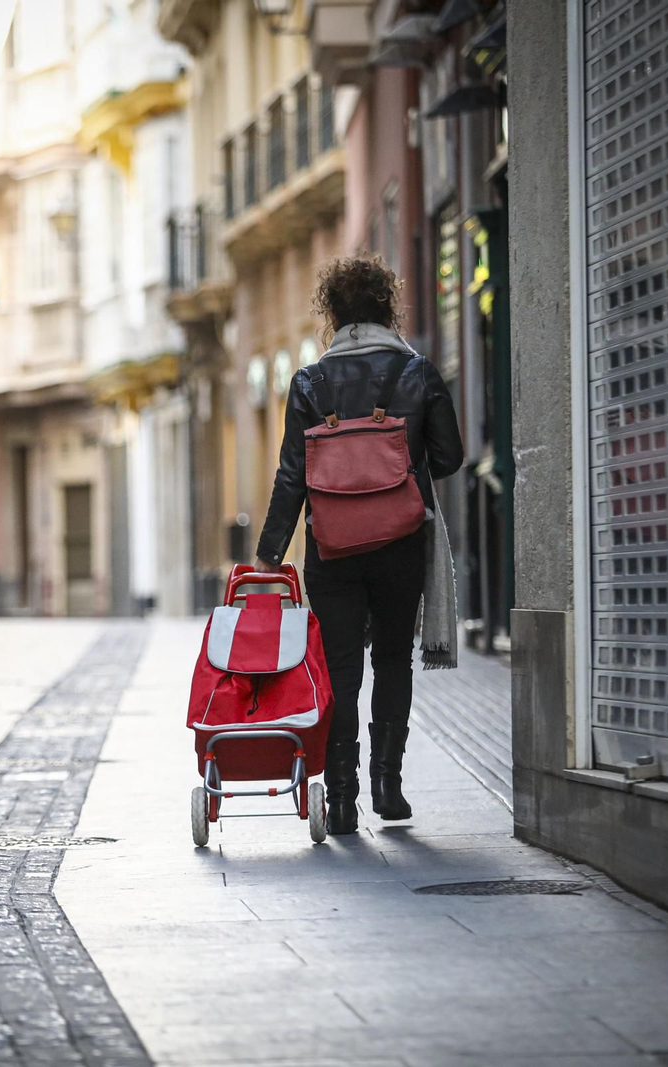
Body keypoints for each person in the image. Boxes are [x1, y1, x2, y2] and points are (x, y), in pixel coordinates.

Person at [254, 254, 463, 834]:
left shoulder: (309, 382)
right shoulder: (416, 373)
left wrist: (271, 551)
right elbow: (449, 458)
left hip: (332, 546)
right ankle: (388, 788)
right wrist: (400, 455)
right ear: (386, 308)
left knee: (341, 666)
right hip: (400, 544)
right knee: (393, 657)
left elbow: (292, 474)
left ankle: (341, 799)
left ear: (334, 315)